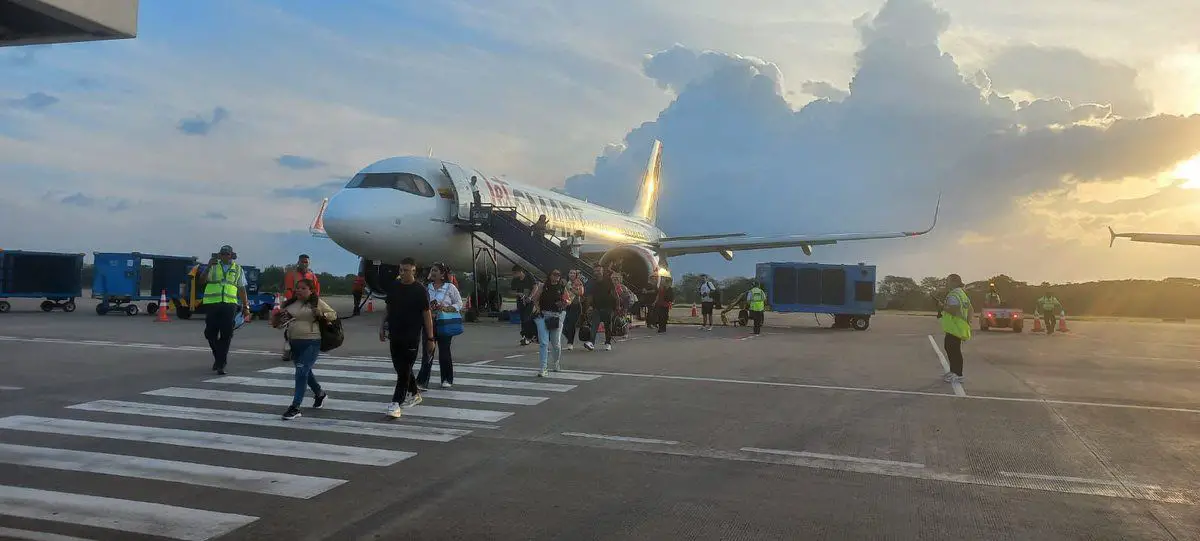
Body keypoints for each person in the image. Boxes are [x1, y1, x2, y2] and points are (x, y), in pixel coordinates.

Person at [270, 279, 334, 420]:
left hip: (311, 341)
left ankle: (295, 407)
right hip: (294, 342)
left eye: (303, 288)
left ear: (311, 290)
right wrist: (276, 318)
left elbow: (332, 314)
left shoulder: (316, 303)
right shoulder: (290, 304)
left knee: (301, 371)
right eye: (297, 288)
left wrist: (322, 314)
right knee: (305, 371)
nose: (299, 290)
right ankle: (320, 393)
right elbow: (278, 324)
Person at [380, 257, 436, 419]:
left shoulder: (420, 290)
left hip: (412, 335)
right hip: (395, 333)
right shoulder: (394, 286)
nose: (402, 273)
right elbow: (388, 307)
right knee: (400, 368)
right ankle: (415, 392)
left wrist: (430, 339)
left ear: (413, 271)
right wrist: (382, 326)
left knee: (404, 369)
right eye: (401, 270)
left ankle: (396, 403)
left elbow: (427, 315)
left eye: (405, 270)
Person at [198, 245, 250, 375]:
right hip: (212, 303)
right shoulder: (213, 266)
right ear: (219, 255)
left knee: (226, 334)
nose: (225, 256)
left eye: (227, 254)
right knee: (210, 333)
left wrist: (246, 306)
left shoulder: (238, 269)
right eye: (222, 254)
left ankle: (221, 363)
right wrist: (208, 266)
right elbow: (201, 281)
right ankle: (219, 358)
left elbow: (242, 289)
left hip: (229, 305)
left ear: (232, 255)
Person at [417, 262, 463, 390]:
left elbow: (459, 304)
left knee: (444, 352)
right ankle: (422, 381)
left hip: (444, 323)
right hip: (429, 323)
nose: (433, 273)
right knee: (427, 352)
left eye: (436, 270)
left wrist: (447, 308)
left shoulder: (450, 288)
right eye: (432, 270)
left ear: (442, 274)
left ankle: (447, 378)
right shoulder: (426, 287)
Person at [281, 255, 320, 362]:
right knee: (289, 327)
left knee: (307, 327)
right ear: (298, 262)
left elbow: (316, 291)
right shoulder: (291, 274)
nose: (304, 264)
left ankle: (305, 349)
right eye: (302, 261)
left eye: (306, 262)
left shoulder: (312, 276)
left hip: (308, 305)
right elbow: (288, 289)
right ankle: (287, 349)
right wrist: (292, 303)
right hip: (294, 303)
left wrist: (314, 304)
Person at [531, 269, 570, 376]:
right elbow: (535, 299)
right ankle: (543, 368)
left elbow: (568, 299)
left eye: (559, 275)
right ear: (550, 275)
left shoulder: (562, 287)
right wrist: (538, 309)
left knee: (556, 344)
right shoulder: (544, 286)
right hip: (543, 315)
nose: (557, 276)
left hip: (556, 316)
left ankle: (556, 362)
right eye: (554, 274)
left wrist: (564, 303)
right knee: (543, 343)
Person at [937, 273, 972, 383]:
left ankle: (958, 374)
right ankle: (954, 372)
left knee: (953, 351)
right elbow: (971, 309)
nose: (947, 283)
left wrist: (942, 306)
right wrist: (967, 322)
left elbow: (954, 309)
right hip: (958, 327)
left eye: (948, 281)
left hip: (954, 327)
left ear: (955, 282)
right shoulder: (962, 294)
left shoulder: (953, 294)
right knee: (952, 350)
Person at [584, 265, 618, 351]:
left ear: (602, 271)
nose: (597, 273)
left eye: (599, 271)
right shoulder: (591, 282)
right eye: (595, 271)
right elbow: (589, 296)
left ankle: (608, 343)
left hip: (609, 307)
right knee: (594, 326)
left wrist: (617, 306)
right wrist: (587, 307)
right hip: (597, 308)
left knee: (608, 326)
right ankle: (591, 342)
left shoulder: (608, 280)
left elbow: (614, 293)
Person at [511, 266, 538, 346]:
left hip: (529, 300)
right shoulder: (515, 280)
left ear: (520, 272)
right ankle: (525, 336)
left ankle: (528, 336)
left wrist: (530, 297)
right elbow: (511, 291)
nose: (514, 275)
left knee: (527, 317)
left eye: (515, 273)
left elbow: (535, 287)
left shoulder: (529, 276)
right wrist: (518, 294)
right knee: (523, 318)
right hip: (521, 301)